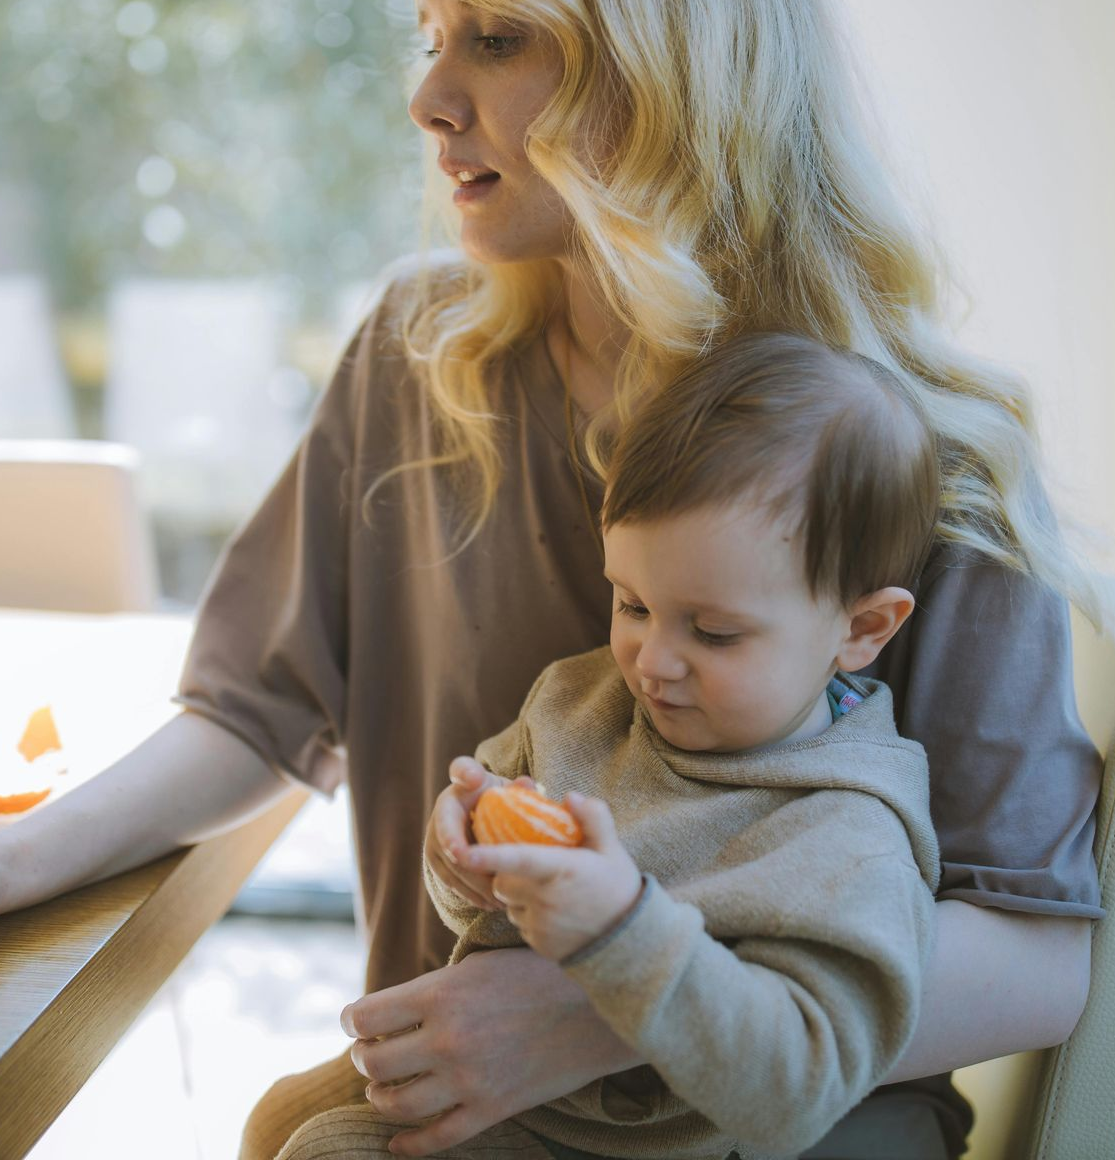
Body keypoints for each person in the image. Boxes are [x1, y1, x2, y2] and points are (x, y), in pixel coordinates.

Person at [0, 0, 1104, 1157]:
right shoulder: (420, 360)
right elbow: (256, 711)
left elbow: (1038, 955)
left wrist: (604, 1011)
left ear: (666, 56)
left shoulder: (915, 442)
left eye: (498, 38)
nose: (428, 97)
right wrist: (7, 855)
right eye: (430, 32)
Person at [278, 331, 946, 1159]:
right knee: (282, 1122)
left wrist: (620, 930)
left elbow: (796, 1092)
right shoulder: (580, 701)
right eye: (631, 604)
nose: (650, 661)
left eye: (713, 631)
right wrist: (461, 857)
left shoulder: (845, 837)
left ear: (861, 627)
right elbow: (476, 914)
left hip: (620, 1147)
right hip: (501, 1094)